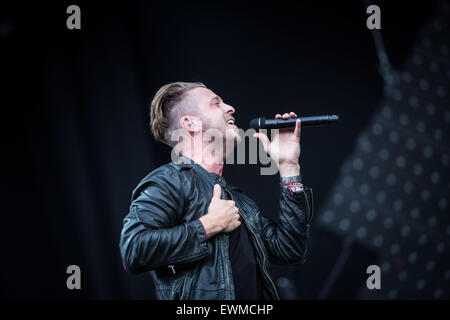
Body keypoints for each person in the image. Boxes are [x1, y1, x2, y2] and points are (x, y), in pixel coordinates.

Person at [119, 82, 314, 300]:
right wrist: (208, 225)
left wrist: (289, 167)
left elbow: (290, 251)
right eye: (216, 103)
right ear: (190, 122)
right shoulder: (170, 181)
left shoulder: (240, 202)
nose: (230, 108)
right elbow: (134, 250)